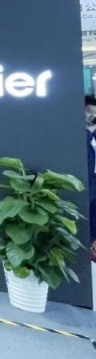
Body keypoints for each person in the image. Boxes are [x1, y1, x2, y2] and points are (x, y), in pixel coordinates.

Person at [86, 96, 96, 262]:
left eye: (95, 113)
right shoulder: (79, 132)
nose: (92, 115)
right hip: (86, 180)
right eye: (88, 111)